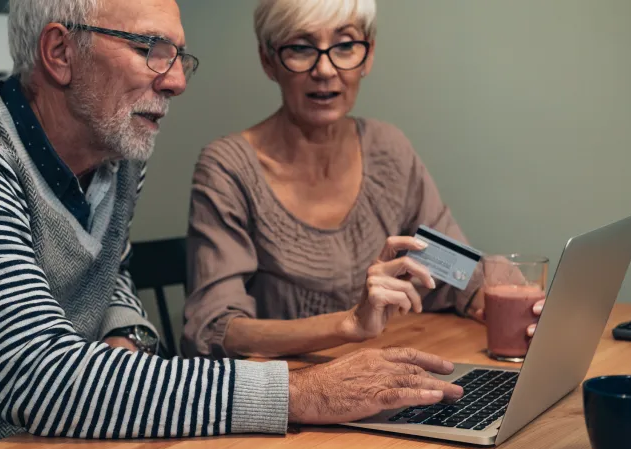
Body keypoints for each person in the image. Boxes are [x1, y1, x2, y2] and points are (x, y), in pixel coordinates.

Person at [0, 0, 463, 449]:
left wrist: (128, 339)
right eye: (150, 49)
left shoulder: (114, 157)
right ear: (60, 52)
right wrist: (302, 393)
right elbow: (45, 384)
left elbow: (111, 275)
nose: (175, 81)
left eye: (177, 52)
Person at [183, 0, 543, 359]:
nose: (324, 69)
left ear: (368, 55)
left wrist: (520, 307)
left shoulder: (388, 151)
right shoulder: (227, 168)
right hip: (290, 397)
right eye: (300, 48)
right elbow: (216, 328)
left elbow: (458, 274)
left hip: (383, 377)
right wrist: (348, 323)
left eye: (344, 46)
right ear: (268, 60)